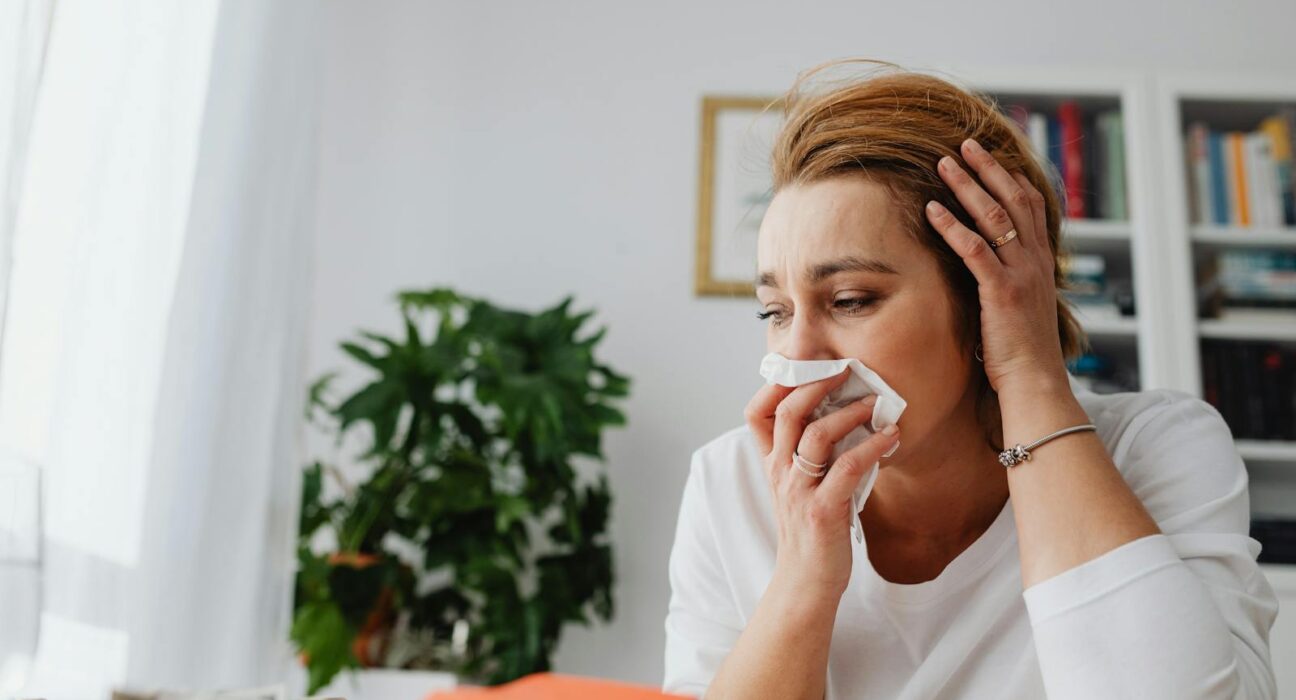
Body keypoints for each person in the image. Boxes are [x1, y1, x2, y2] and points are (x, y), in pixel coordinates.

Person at [662, 58, 1279, 699]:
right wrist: (802, 576)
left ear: (988, 296)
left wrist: (1031, 373)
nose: (797, 354)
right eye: (775, 311)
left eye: (849, 300)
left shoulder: (1154, 448)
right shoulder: (728, 482)